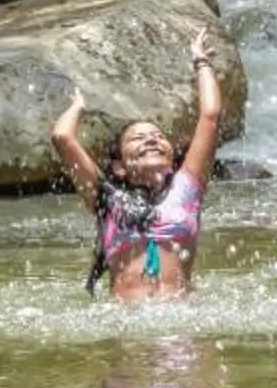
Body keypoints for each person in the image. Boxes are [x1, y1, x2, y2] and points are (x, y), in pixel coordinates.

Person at [50, 36, 223, 301]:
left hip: (182, 316)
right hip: (127, 323)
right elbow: (62, 137)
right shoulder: (105, 199)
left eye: (158, 136)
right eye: (137, 139)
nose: (152, 139)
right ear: (119, 167)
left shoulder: (187, 188)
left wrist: (201, 61)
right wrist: (78, 107)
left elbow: (210, 116)